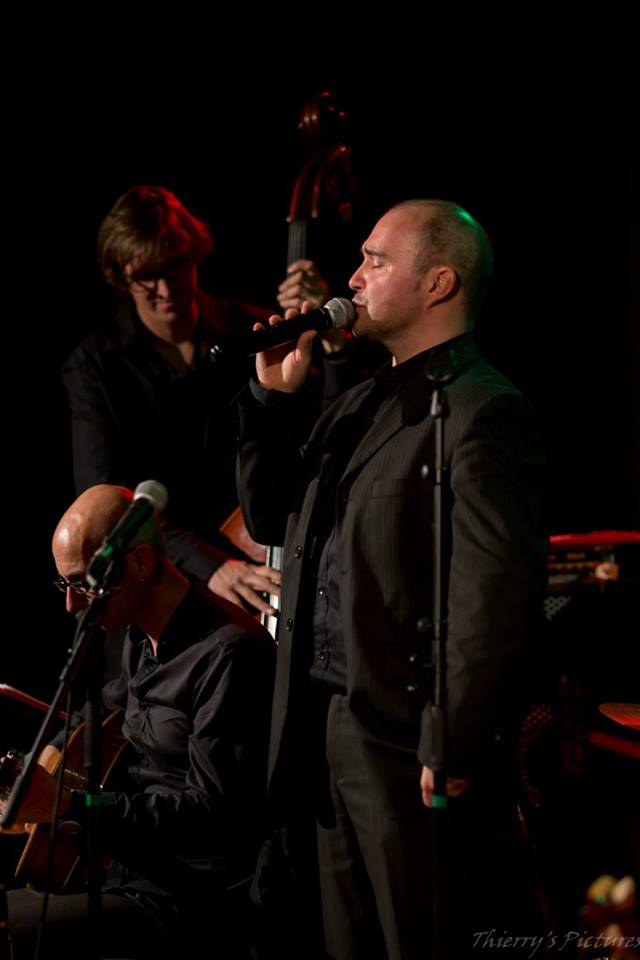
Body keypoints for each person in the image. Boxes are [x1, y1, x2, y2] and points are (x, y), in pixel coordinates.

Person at [236, 200, 548, 958]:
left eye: (376, 260)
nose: (353, 275)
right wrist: (274, 403)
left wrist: (451, 741)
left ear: (438, 282)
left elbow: (491, 599)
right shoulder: (358, 403)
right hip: (319, 726)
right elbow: (273, 519)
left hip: (403, 741)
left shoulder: (483, 411)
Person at [2, 484, 275, 959]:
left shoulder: (229, 655)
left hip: (186, 898)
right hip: (127, 865)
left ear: (143, 564)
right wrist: (34, 773)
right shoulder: (138, 635)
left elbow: (209, 817)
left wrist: (70, 807)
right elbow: (106, 720)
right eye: (65, 586)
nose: (72, 607)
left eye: (82, 584)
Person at [62, 185, 339, 619]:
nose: (164, 289)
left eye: (174, 267)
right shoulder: (95, 365)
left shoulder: (251, 330)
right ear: (122, 278)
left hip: (261, 561)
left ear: (194, 254)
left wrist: (331, 337)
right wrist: (212, 567)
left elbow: (328, 425)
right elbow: (106, 495)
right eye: (144, 278)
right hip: (165, 580)